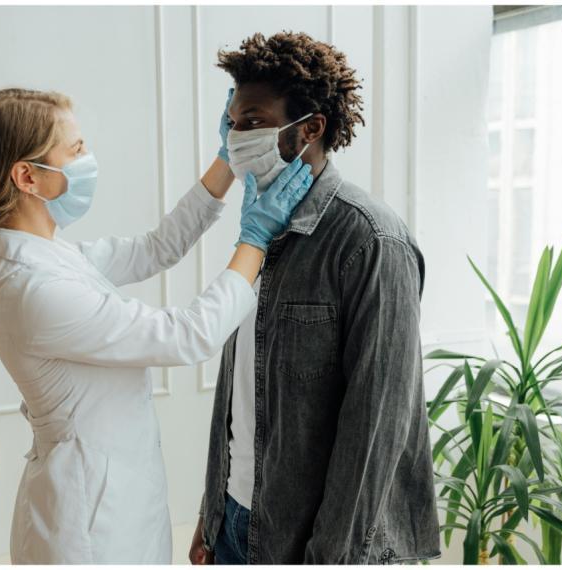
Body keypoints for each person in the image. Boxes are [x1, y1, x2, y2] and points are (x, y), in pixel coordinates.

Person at [0, 87, 313, 564]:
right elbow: (188, 336)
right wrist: (254, 238)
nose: (88, 159)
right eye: (75, 150)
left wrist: (226, 161)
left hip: (110, 499)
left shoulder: (47, 255)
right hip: (89, 527)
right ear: (27, 176)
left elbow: (155, 248)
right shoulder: (34, 289)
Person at [189, 32, 441, 565]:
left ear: (310, 129)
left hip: (309, 544)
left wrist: (330, 558)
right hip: (236, 521)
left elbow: (375, 428)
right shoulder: (259, 231)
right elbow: (240, 390)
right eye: (232, 123)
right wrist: (211, 515)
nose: (236, 137)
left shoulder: (373, 242)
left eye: (253, 121)